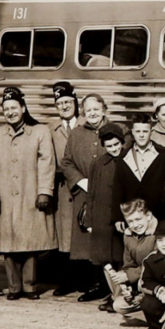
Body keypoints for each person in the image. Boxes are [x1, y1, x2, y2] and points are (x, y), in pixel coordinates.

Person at [0, 86, 57, 300]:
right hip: (5, 197)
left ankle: (30, 286)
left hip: (30, 194)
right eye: (6, 109)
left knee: (30, 243)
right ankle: (14, 287)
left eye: (14, 108)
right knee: (8, 243)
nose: (10, 112)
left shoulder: (40, 132)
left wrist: (45, 191)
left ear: (23, 108)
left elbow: (47, 163)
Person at [60, 93, 121, 301]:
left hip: (109, 193)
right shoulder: (76, 134)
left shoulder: (116, 130)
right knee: (86, 238)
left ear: (104, 109)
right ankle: (91, 282)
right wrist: (81, 181)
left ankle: (108, 285)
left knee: (107, 238)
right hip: (84, 192)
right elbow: (66, 162)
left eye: (96, 109)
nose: (92, 113)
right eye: (88, 110)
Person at [86, 124, 127, 310]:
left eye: (117, 145)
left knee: (121, 258)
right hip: (101, 216)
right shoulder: (98, 163)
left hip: (122, 216)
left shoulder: (128, 159)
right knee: (106, 258)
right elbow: (92, 192)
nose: (114, 149)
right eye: (109, 146)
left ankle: (122, 296)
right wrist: (90, 220)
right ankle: (113, 294)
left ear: (122, 142)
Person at [47, 81, 80, 296]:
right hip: (62, 188)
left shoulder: (86, 124)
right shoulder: (50, 128)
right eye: (60, 103)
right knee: (65, 235)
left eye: (68, 102)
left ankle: (87, 279)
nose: (65, 106)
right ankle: (67, 281)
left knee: (83, 231)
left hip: (83, 186)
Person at [114, 113, 165, 222]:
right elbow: (118, 190)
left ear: (151, 131)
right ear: (132, 132)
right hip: (132, 219)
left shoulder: (164, 154)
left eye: (145, 131)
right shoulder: (123, 157)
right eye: (138, 131)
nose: (141, 135)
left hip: (158, 216)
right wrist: (118, 218)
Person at [105, 199, 158, 317]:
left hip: (158, 285)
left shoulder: (159, 233)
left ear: (148, 216)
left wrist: (129, 275)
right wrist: (129, 288)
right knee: (118, 305)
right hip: (141, 285)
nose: (135, 225)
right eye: (130, 221)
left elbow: (156, 264)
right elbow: (128, 265)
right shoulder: (128, 236)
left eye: (138, 219)